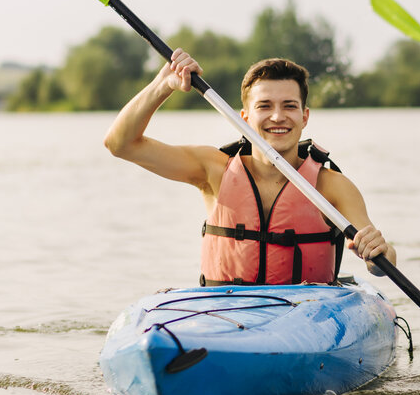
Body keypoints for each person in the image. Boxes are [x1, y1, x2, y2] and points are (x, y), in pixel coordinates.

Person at [104, 49, 396, 285]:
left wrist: (377, 255)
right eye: (265, 106)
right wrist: (162, 85)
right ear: (244, 117)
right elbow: (121, 144)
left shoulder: (332, 186)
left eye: (290, 106)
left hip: (307, 316)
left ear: (305, 117)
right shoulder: (213, 170)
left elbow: (382, 264)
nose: (278, 116)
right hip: (226, 315)